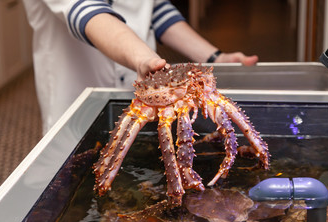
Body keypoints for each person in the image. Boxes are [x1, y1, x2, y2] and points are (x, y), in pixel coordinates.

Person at [23, 0, 258, 134]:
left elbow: (156, 10)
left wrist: (215, 56)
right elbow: (86, 12)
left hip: (145, 98)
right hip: (77, 103)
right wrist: (145, 59)